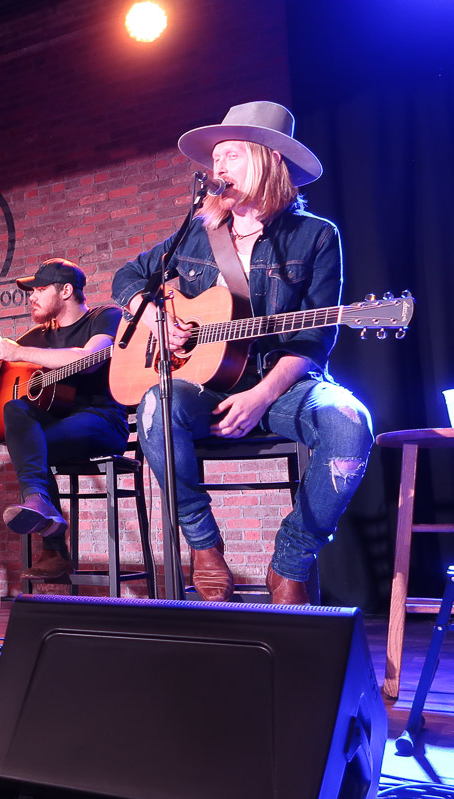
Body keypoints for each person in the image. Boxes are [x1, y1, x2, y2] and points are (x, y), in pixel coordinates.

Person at [111, 101, 373, 605]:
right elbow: (128, 278)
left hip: (283, 387)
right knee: (153, 408)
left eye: (231, 154)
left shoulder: (316, 236)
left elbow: (315, 337)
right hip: (203, 388)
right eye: (215, 159)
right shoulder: (196, 232)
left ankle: (289, 564)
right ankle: (205, 548)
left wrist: (261, 394)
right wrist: (155, 319)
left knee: (349, 420)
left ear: (268, 159)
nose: (218, 168)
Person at [0, 258, 129, 580]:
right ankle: (40, 506)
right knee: (14, 410)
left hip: (103, 421)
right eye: (30, 291)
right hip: (61, 426)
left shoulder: (105, 317)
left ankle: (52, 548)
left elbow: (87, 359)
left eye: (39, 289)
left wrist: (18, 352)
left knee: (29, 448)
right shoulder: (39, 335)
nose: (31, 297)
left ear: (65, 291)